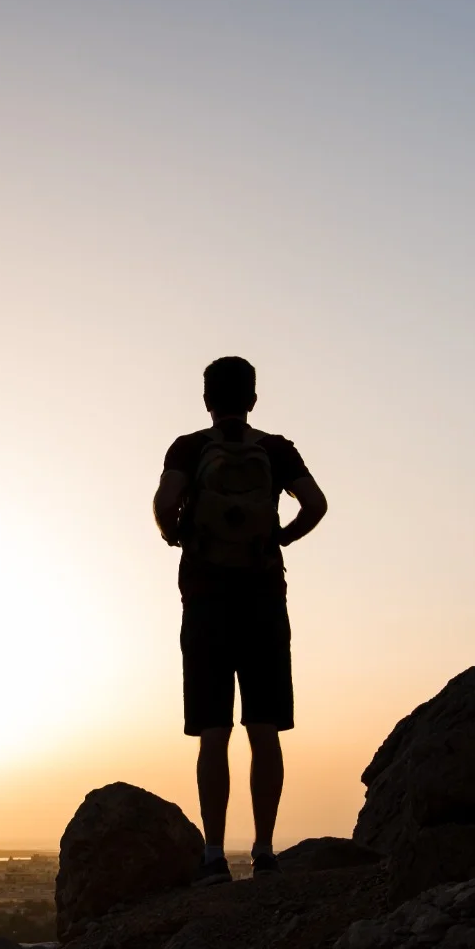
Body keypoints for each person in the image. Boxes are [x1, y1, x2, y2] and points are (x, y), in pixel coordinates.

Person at [152, 357, 328, 882]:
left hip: (205, 598)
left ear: (207, 400)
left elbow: (165, 504)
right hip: (263, 597)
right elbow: (316, 504)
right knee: (265, 727)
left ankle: (212, 855)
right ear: (253, 399)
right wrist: (281, 538)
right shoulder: (276, 450)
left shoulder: (187, 448)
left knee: (213, 731)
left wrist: (175, 534)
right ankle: (266, 850)